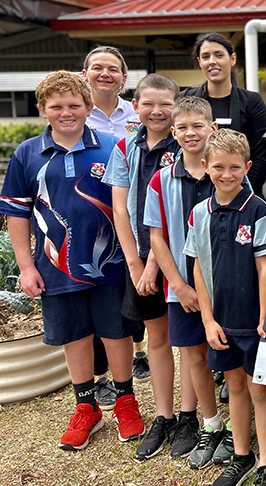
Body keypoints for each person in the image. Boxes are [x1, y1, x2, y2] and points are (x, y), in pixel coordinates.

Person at [0, 71, 144, 451]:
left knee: (117, 331)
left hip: (111, 263)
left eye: (74, 105)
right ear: (42, 109)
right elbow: (16, 213)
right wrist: (26, 266)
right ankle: (86, 406)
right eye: (57, 106)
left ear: (89, 107)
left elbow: (130, 204)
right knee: (75, 334)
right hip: (55, 264)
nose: (66, 112)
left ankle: (126, 401)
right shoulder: (27, 154)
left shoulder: (116, 146)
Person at [185, 129, 266, 486]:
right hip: (220, 322)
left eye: (235, 168)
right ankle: (242, 454)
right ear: (205, 166)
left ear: (248, 167)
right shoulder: (199, 213)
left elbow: (263, 266)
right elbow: (198, 267)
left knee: (259, 389)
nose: (227, 175)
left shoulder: (257, 209)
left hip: (251, 323)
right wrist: (208, 320)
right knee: (235, 388)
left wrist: (264, 316)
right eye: (219, 167)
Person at [103, 73, 181, 460]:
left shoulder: (184, 146)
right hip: (139, 263)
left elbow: (172, 214)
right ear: (135, 106)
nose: (156, 111)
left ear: (176, 107)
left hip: (179, 260)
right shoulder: (124, 148)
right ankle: (164, 415)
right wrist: (134, 262)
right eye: (148, 103)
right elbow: (121, 206)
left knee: (190, 341)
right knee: (158, 340)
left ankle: (191, 417)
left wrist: (152, 263)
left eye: (165, 104)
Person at [144, 96, 225, 465]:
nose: (192, 133)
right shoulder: (161, 181)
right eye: (184, 127)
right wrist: (177, 284)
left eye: (199, 126)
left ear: (214, 129)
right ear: (173, 133)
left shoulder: (225, 173)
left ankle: (230, 430)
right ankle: (204, 424)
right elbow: (157, 237)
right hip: (183, 292)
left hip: (225, 289)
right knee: (193, 355)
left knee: (228, 363)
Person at [82, 44, 151, 412]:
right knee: (98, 293)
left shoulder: (136, 114)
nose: (105, 73)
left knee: (129, 290)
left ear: (124, 79)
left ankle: (138, 353)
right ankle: (100, 377)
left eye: (113, 69)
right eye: (97, 67)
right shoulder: (77, 114)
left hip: (132, 215)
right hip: (93, 218)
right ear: (85, 75)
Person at [182, 32, 266, 197]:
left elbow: (263, 158)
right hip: (195, 191)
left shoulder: (251, 102)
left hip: (242, 194)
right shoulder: (187, 101)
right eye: (206, 56)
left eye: (219, 55)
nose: (212, 61)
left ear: (232, 59)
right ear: (199, 61)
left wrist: (240, 192)